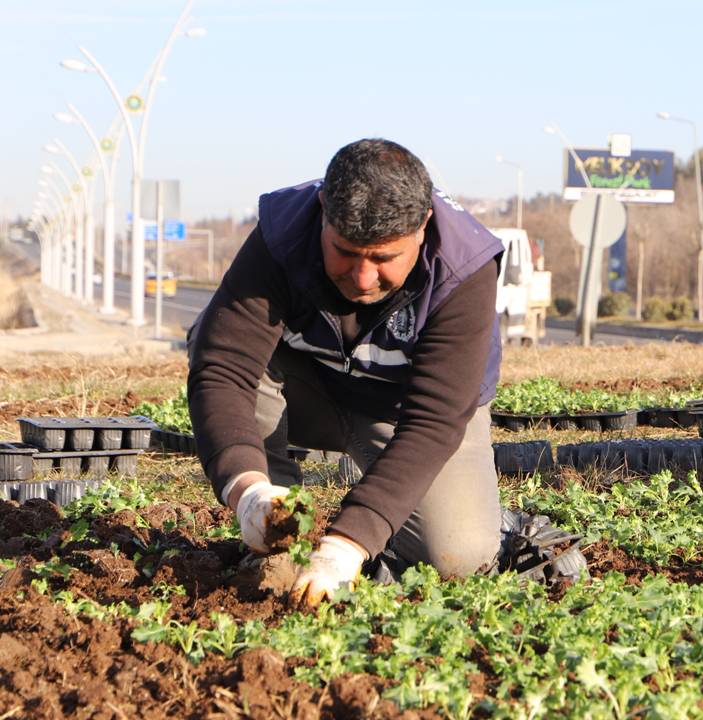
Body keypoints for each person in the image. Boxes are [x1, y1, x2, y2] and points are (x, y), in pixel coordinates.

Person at [187, 138, 506, 607]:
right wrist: (247, 491)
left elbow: (434, 422)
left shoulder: (462, 269)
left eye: (382, 259)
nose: (361, 277)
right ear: (323, 212)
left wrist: (348, 543)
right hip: (306, 395)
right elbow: (225, 367)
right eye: (345, 251)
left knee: (456, 557)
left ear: (422, 226)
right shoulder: (282, 237)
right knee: (212, 335)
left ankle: (476, 520)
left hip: (403, 415)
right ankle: (274, 540)